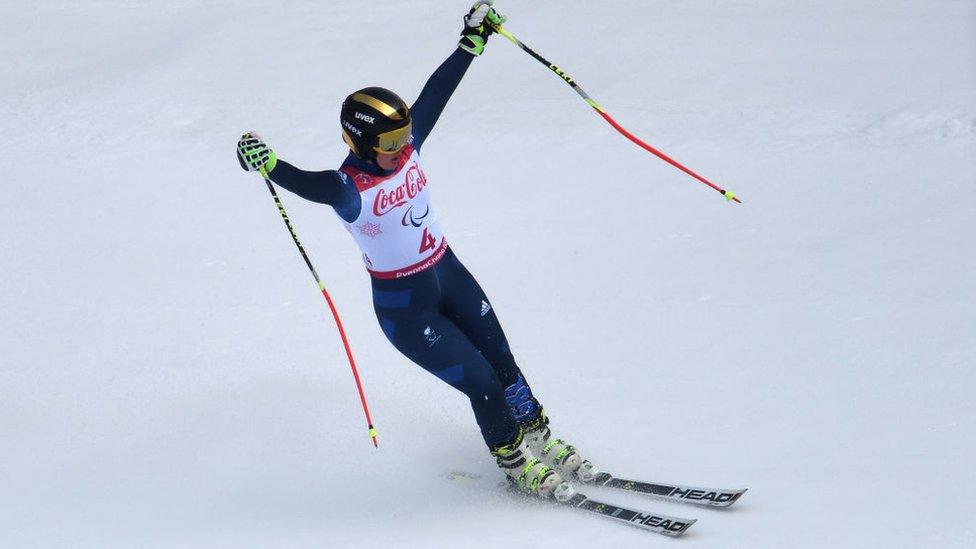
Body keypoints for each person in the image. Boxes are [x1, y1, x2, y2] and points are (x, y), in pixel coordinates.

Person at [237, 1, 595, 498]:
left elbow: (436, 94)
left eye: (406, 134)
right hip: (406, 309)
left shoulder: (406, 146)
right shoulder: (349, 188)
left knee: (504, 363)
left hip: (449, 274)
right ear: (362, 144)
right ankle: (515, 461)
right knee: (483, 382)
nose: (404, 145)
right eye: (391, 140)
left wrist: (470, 42)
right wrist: (268, 162)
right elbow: (305, 183)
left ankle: (538, 435)